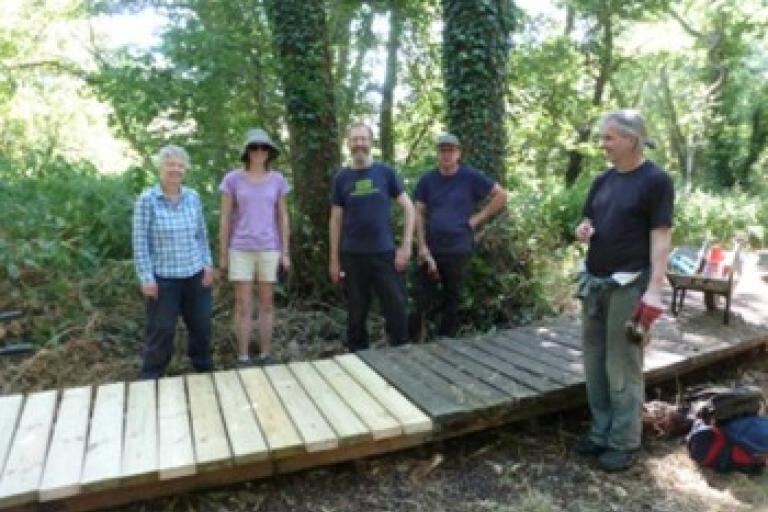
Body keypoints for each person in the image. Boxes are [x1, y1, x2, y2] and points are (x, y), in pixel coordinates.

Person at [572, 110, 674, 472]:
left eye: (609, 138)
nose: (604, 144)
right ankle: (600, 434)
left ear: (632, 139)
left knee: (623, 365)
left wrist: (655, 291)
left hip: (630, 285)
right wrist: (583, 229)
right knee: (594, 362)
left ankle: (624, 441)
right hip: (594, 283)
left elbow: (660, 235)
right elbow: (587, 221)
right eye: (603, 138)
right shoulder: (602, 180)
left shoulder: (655, 180)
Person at [410, 133, 508, 340]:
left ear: (458, 153)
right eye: (442, 150)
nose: (446, 155)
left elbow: (501, 195)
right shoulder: (427, 180)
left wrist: (477, 218)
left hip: (458, 247)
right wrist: (422, 246)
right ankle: (416, 341)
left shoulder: (469, 176)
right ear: (437, 154)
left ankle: (447, 343)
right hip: (431, 248)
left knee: (452, 297)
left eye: (450, 150)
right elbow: (418, 213)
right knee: (420, 296)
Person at [329, 122, 415, 351]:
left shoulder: (385, 173)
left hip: (384, 253)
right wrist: (334, 261)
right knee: (356, 311)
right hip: (352, 255)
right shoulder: (341, 178)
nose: (359, 143)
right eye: (354, 139)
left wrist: (405, 247)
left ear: (371, 142)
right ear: (348, 144)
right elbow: (335, 220)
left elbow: (409, 208)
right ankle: (359, 358)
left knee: (395, 306)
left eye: (363, 139)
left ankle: (402, 352)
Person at [132, 145, 214, 379]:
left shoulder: (193, 197)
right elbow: (140, 242)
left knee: (201, 327)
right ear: (161, 168)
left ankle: (204, 373)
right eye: (170, 164)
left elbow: (201, 234)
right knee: (161, 331)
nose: (175, 169)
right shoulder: (147, 200)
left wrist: (207, 264)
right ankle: (152, 378)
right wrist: (146, 277)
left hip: (195, 275)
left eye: (180, 165)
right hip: (163, 279)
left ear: (186, 169)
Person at [219, 128, 290, 367]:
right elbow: (226, 218)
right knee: (242, 304)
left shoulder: (278, 180)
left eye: (263, 148)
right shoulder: (232, 180)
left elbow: (282, 217)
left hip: (270, 248)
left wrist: (286, 253)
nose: (259, 152)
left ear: (269, 152)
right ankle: (243, 356)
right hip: (240, 248)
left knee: (267, 303)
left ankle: (266, 354)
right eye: (254, 148)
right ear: (246, 151)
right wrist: (223, 254)